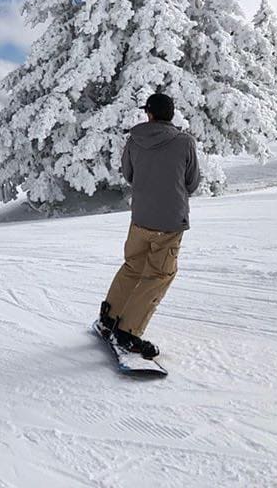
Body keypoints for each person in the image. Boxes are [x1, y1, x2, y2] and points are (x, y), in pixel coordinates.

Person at [98, 93, 200, 358]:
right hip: (169, 221)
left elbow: (129, 175)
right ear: (172, 114)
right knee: (158, 275)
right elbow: (192, 182)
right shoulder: (185, 142)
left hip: (140, 218)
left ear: (149, 114)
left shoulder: (134, 141)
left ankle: (109, 319)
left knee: (133, 267)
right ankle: (128, 332)